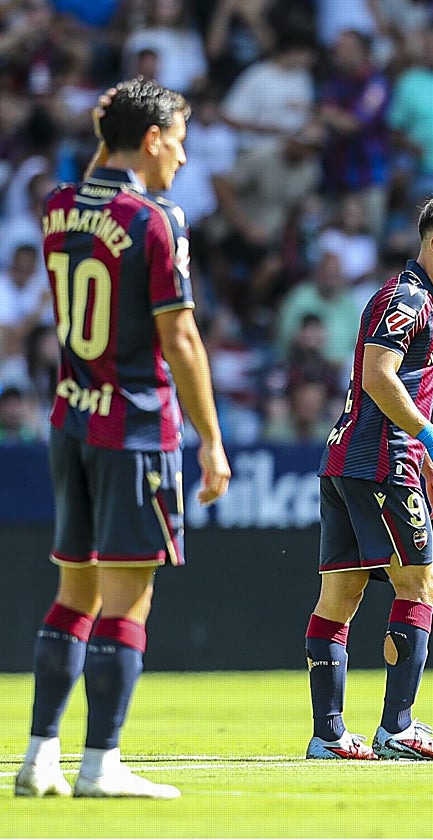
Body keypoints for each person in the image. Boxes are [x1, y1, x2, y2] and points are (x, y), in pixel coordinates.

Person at [16, 78, 232, 799]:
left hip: (69, 418)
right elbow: (180, 335)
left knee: (72, 593)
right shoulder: (156, 219)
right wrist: (211, 438)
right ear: (150, 140)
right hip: (134, 425)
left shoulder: (56, 207)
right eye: (177, 139)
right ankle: (101, 762)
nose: (183, 154)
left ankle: (38, 756)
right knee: (125, 601)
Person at [303, 194, 433, 761]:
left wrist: (422, 461)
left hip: (349, 462)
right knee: (421, 585)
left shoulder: (421, 302)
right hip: (380, 465)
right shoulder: (407, 299)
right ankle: (398, 727)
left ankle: (329, 735)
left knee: (340, 595)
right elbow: (378, 378)